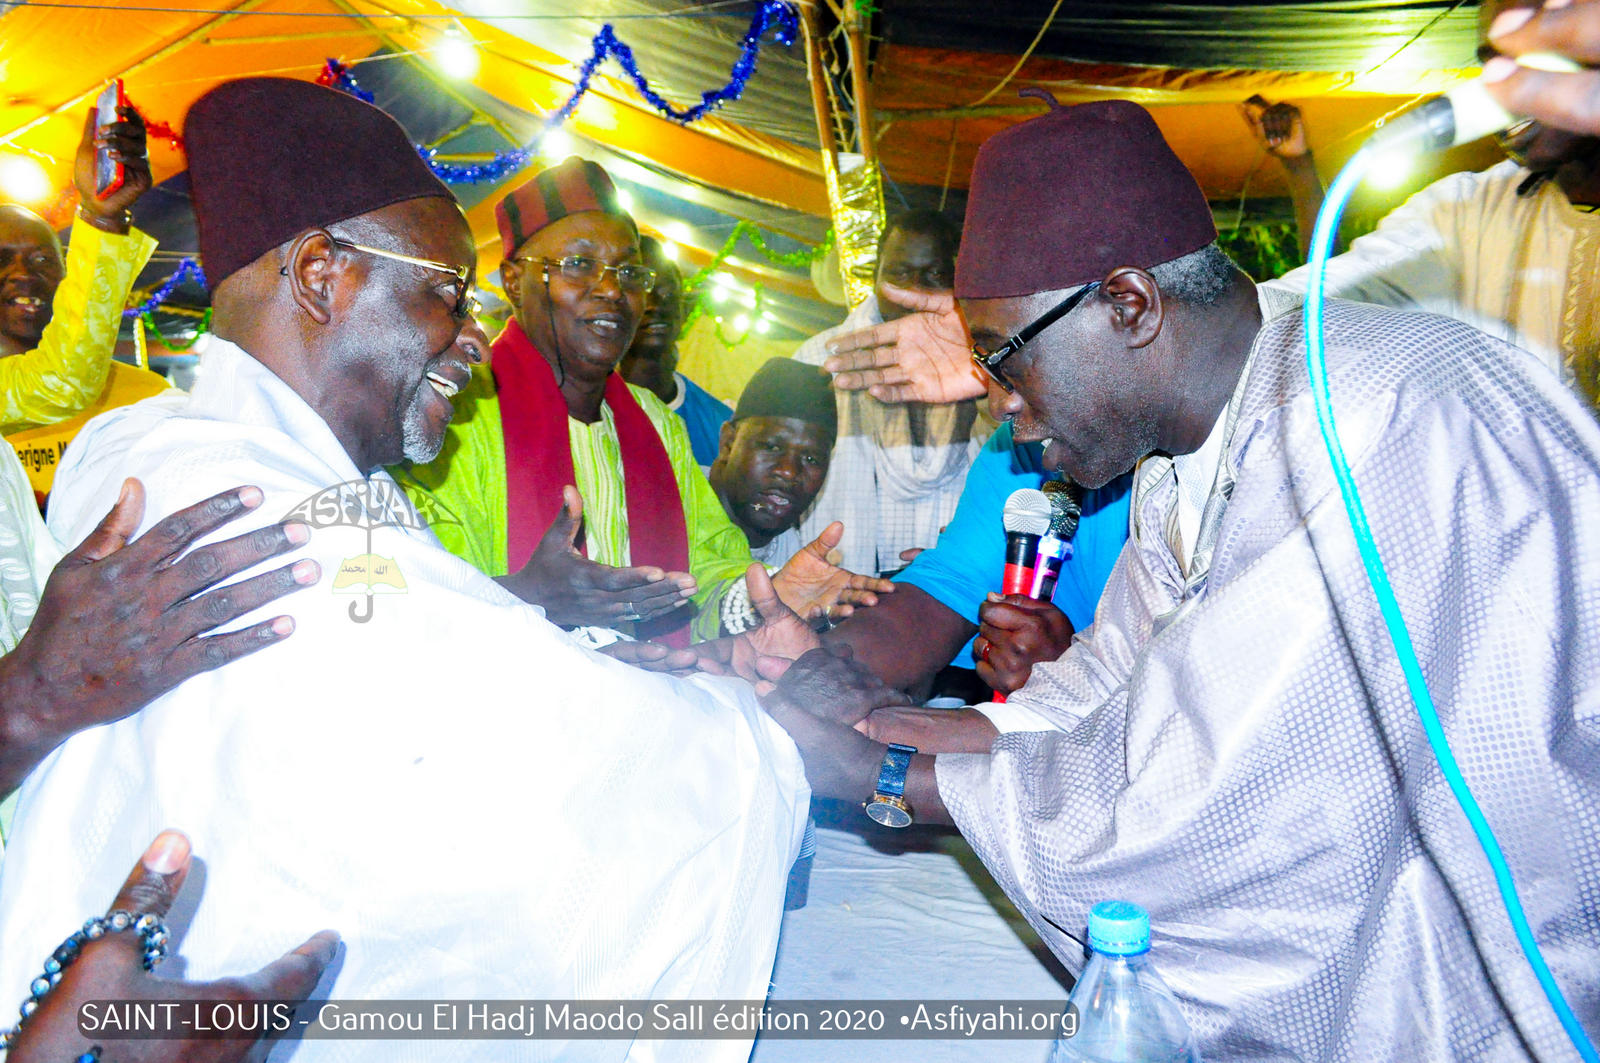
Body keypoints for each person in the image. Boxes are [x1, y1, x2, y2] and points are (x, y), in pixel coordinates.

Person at [739, 97, 1600, 1059]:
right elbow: (1109, 697)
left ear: (1131, 305)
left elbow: (1217, 806)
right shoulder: (1182, 460)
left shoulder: (1362, 420)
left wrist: (883, 773)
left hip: (1514, 993)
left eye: (1007, 367)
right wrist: (869, 720)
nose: (1010, 416)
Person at [0, 77, 809, 1063]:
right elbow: (492, 733)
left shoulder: (167, 443)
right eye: (443, 290)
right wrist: (751, 741)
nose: (471, 333)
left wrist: (547, 629)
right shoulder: (224, 487)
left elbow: (418, 605)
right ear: (319, 275)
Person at [402, 157, 887, 641]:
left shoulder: (656, 421)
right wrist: (527, 597)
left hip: (653, 693)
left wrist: (761, 600)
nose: (612, 289)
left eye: (629, 273)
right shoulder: (455, 409)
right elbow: (415, 592)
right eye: (579, 264)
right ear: (513, 280)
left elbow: (710, 562)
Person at [1247, 0, 1600, 412]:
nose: (1501, 82)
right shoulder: (1464, 209)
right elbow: (1323, 298)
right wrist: (1300, 170)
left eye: (1530, 56)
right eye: (1491, 63)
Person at [794, 209, 990, 577]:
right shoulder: (819, 358)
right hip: (839, 571)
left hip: (945, 572)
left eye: (933, 275)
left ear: (955, 280)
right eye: (899, 274)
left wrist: (987, 372)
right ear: (874, 277)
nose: (913, 290)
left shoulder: (983, 367)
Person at [2, 103, 169, 500]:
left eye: (44, 260)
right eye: (1, 259)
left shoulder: (147, 399)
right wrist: (102, 220)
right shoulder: (53, 384)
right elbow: (61, 382)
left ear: (69, 278)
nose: (23, 273)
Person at [707, 357, 837, 565]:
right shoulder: (662, 512)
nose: (789, 472)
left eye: (811, 459)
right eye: (771, 447)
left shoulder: (793, 560)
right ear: (728, 443)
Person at [618, 235, 730, 466]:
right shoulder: (584, 412)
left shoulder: (721, 426)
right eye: (641, 291)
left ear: (685, 309)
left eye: (668, 293)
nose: (654, 305)